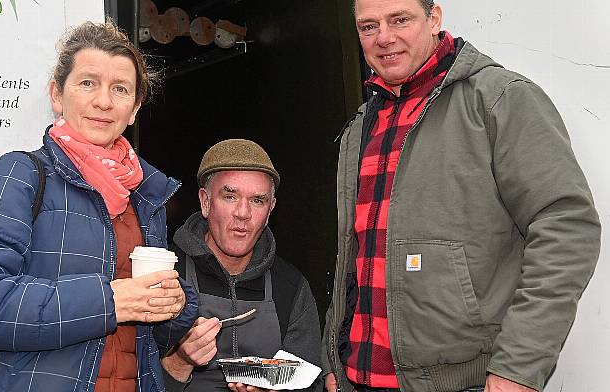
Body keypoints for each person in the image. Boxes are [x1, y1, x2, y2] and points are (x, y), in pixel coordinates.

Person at [321, 1, 602, 392]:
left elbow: (567, 227)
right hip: (357, 380)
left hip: (465, 383)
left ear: (434, 18)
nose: (384, 37)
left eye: (399, 19)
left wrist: (517, 368)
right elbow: (356, 255)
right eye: (368, 27)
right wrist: (333, 357)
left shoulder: (499, 99)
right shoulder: (360, 127)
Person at [0, 21, 198, 392]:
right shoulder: (18, 176)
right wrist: (108, 301)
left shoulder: (143, 196)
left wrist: (177, 303)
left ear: (134, 108)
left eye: (120, 89)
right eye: (88, 82)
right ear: (57, 95)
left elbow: (145, 336)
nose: (104, 101)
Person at [160, 139, 322, 392]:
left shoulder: (290, 286)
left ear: (270, 210)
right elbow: (127, 379)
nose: (243, 213)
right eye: (230, 196)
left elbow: (311, 383)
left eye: (258, 200)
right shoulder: (165, 275)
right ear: (205, 202)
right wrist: (178, 362)